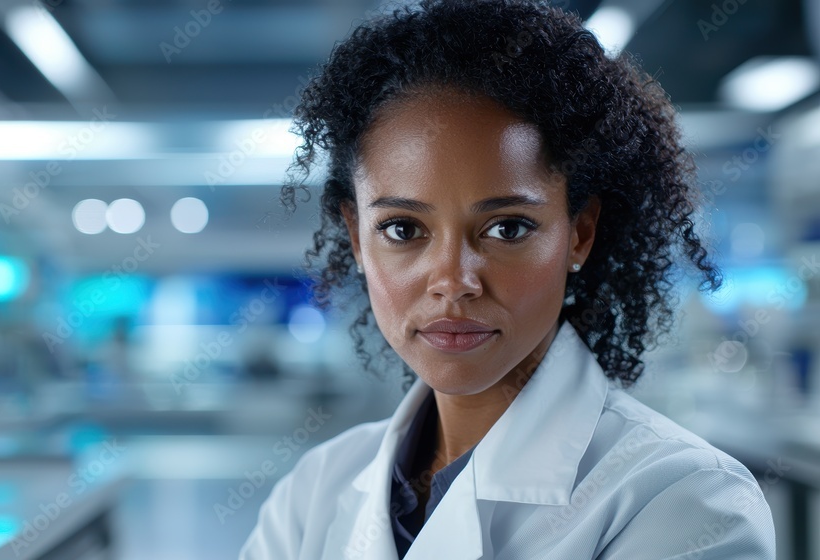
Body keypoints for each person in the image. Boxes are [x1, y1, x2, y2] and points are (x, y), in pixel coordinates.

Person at [240, 0, 776, 558]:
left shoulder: (682, 502)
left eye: (507, 228)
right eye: (402, 229)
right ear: (356, 237)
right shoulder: (310, 495)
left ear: (579, 233)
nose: (452, 280)